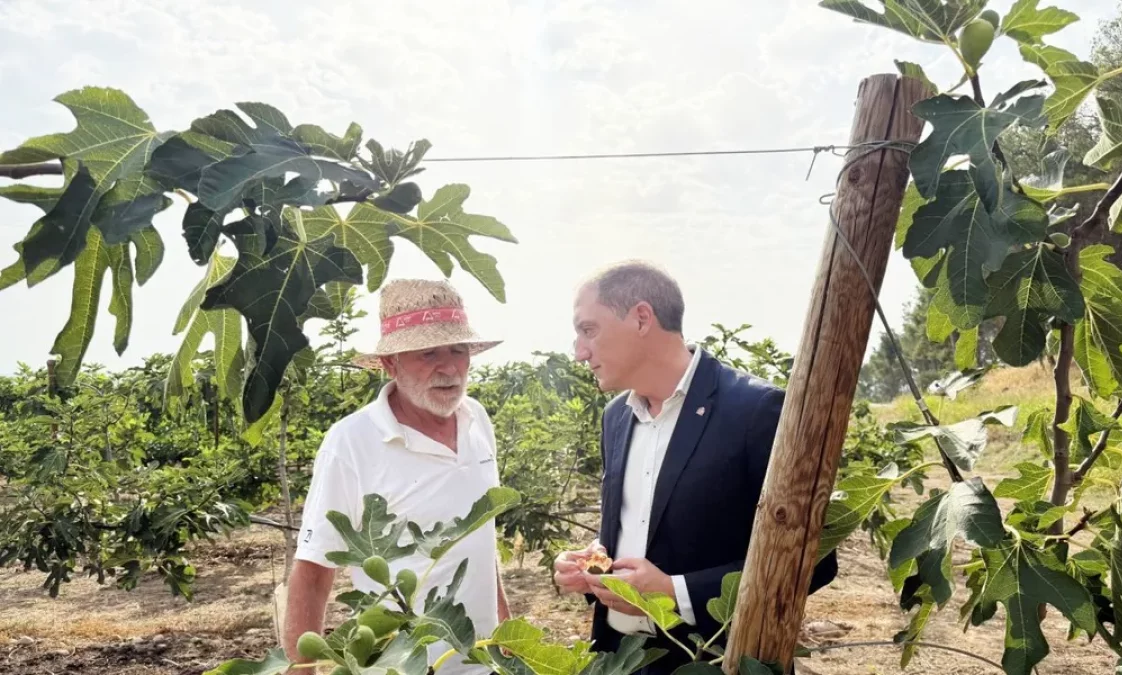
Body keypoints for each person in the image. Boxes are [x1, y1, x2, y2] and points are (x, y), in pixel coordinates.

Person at [554, 261, 838, 674]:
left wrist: (676, 592)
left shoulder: (759, 411)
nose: (579, 351)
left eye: (588, 330)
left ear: (641, 318)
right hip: (618, 658)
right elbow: (636, 527)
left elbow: (814, 561)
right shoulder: (616, 416)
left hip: (712, 659)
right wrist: (595, 562)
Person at [283, 278, 510, 675]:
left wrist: (507, 636)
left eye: (458, 350)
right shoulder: (351, 442)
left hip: (484, 661)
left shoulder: (477, 421)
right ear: (391, 363)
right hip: (401, 666)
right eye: (428, 353)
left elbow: (480, 541)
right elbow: (314, 571)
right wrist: (301, 671)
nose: (449, 367)